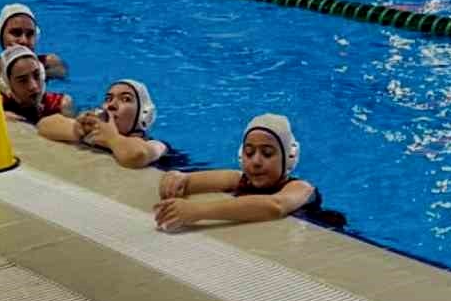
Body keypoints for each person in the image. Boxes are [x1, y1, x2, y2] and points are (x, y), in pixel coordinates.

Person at [154, 114, 325, 230]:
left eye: (267, 153)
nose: (256, 162)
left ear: (288, 158)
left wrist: (197, 211)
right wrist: (174, 178)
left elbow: (274, 206)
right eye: (249, 153)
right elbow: (186, 181)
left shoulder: (301, 188)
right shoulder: (238, 179)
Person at [39, 79, 165, 168]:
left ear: (144, 114)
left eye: (126, 99)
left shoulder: (157, 145)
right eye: (108, 99)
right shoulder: (98, 131)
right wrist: (77, 129)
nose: (111, 105)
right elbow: (44, 125)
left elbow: (137, 155)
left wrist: (112, 138)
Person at [0, 1, 67, 77]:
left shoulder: (49, 64)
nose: (24, 41)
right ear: (0, 36)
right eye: (16, 33)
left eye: (30, 34)